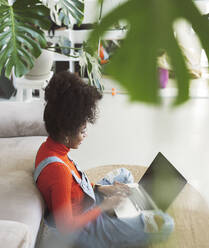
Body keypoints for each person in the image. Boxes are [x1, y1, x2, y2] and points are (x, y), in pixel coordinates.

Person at [34, 71, 174, 248]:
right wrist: (104, 207)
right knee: (166, 224)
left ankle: (129, 210)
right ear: (66, 134)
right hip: (83, 229)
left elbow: (75, 186)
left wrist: (105, 189)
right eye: (83, 130)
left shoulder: (48, 147)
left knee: (124, 175)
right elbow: (66, 228)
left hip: (84, 203)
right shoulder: (58, 170)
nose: (85, 135)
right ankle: (129, 221)